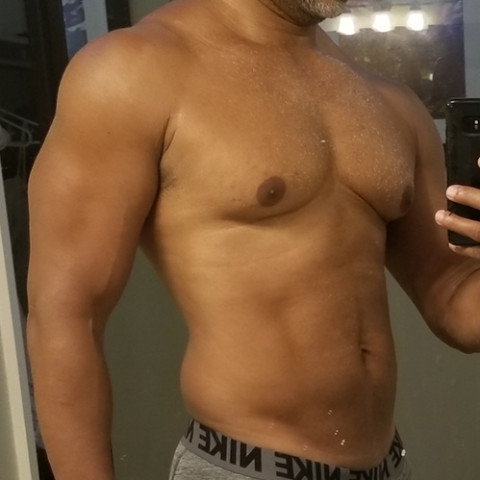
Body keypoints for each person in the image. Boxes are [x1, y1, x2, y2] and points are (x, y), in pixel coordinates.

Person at [26, 1, 480, 479]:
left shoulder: (387, 99)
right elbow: (66, 317)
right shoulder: (132, 71)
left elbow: (451, 296)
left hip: (387, 466)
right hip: (243, 465)